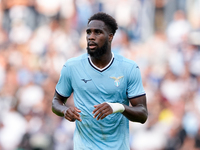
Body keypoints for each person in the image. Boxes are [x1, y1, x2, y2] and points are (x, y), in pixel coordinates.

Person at [52, 12, 148, 150]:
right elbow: (56, 101)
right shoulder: (72, 67)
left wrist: (117, 107)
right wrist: (64, 110)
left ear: (110, 37)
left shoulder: (129, 68)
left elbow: (143, 114)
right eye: (88, 32)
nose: (91, 37)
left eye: (97, 32)